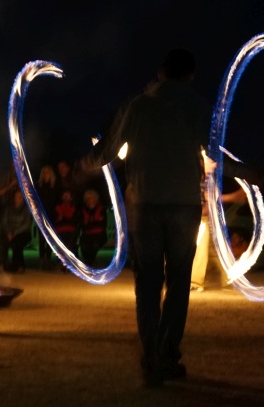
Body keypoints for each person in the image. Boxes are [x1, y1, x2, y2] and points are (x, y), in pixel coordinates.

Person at [81, 47, 211, 386]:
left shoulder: (137, 105)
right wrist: (249, 173)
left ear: (161, 71)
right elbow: (214, 150)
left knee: (148, 283)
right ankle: (167, 352)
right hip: (183, 204)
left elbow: (107, 151)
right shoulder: (196, 105)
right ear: (190, 75)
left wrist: (82, 168)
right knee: (179, 282)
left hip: (145, 204)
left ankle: (152, 355)